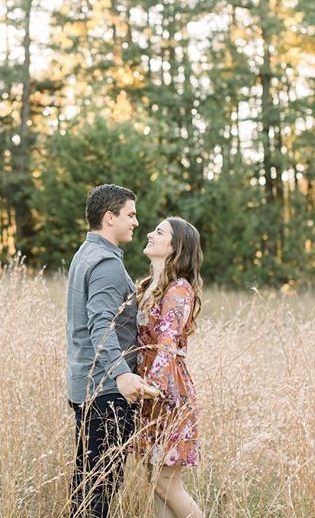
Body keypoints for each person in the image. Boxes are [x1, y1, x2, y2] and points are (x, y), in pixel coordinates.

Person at [66, 184, 158, 518]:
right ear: (109, 217)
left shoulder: (85, 253)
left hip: (87, 386)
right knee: (99, 492)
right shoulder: (106, 263)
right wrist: (121, 374)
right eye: (130, 215)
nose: (136, 222)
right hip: (105, 391)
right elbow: (100, 324)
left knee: (87, 484)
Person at [135, 217, 204, 518]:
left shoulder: (179, 289)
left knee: (167, 485)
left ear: (175, 247)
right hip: (149, 394)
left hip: (167, 394)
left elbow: (167, 341)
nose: (150, 234)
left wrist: (154, 388)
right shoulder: (149, 286)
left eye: (159, 232)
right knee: (157, 485)